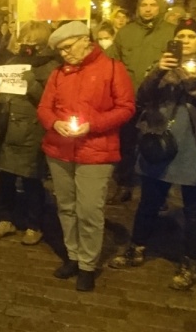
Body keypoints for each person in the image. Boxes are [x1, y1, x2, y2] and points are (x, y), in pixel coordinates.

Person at [108, 19, 196, 290]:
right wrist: (157, 73)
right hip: (160, 141)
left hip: (194, 143)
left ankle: (189, 260)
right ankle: (136, 247)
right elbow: (142, 97)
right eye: (181, 36)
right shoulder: (162, 65)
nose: (185, 40)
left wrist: (195, 85)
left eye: (191, 36)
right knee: (149, 200)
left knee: (194, 208)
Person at [37, 21, 134, 291]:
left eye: (68, 47)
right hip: (60, 149)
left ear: (85, 40)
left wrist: (94, 124)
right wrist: (54, 123)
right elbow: (45, 108)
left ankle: (88, 265)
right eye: (60, 50)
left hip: (97, 150)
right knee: (66, 207)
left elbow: (126, 108)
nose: (65, 54)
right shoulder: (58, 74)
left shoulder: (113, 68)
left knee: (89, 210)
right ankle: (73, 256)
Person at [0, 22, 59, 245]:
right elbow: (3, 89)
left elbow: (51, 100)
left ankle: (33, 225)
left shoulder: (51, 66)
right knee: (5, 178)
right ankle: (6, 219)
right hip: (9, 127)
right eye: (25, 39)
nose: (27, 44)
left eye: (33, 41)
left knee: (31, 180)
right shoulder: (13, 62)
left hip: (32, 130)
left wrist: (32, 85)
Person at [107, 0, 175, 203]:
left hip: (159, 98)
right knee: (126, 144)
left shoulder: (171, 32)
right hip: (130, 97)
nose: (148, 9)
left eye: (153, 5)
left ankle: (158, 193)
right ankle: (124, 184)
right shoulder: (126, 32)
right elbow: (111, 61)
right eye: (144, 5)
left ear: (160, 8)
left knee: (157, 145)